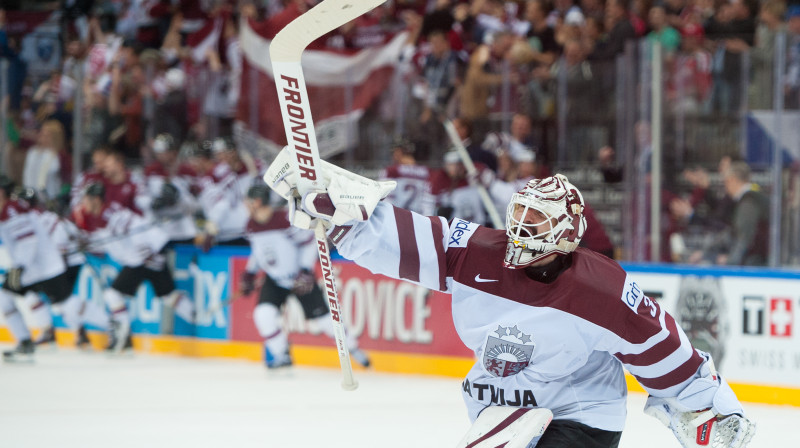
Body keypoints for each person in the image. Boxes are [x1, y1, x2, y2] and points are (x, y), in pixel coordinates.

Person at [264, 146, 755, 448]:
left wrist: (713, 406)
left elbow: (664, 351)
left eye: (536, 223)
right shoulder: (476, 252)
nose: (521, 231)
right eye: (520, 215)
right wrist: (342, 220)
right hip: (498, 409)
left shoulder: (600, 290)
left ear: (567, 235)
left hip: (579, 414)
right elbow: (399, 237)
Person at [241, 184, 370, 369]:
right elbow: (258, 251)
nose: (245, 205)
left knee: (325, 321)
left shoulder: (284, 220)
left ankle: (354, 348)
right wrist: (250, 273)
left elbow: (310, 242)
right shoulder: (251, 225)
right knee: (263, 315)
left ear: (258, 202)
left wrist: (305, 271)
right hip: (275, 280)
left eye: (248, 201)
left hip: (298, 278)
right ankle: (282, 355)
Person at [72, 183, 195, 352]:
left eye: (86, 199)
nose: (83, 203)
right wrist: (88, 244)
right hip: (147, 256)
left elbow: (135, 230)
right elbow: (109, 243)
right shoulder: (105, 214)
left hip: (142, 258)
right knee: (168, 295)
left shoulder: (110, 214)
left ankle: (123, 338)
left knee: (113, 294)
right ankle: (196, 318)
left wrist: (150, 251)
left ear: (95, 199)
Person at [0, 178, 66, 362]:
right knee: (6, 298)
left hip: (40, 266)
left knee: (68, 306)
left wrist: (19, 268)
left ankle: (31, 340)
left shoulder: (11, 209)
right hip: (35, 267)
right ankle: (28, 341)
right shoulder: (8, 209)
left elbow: (27, 240)